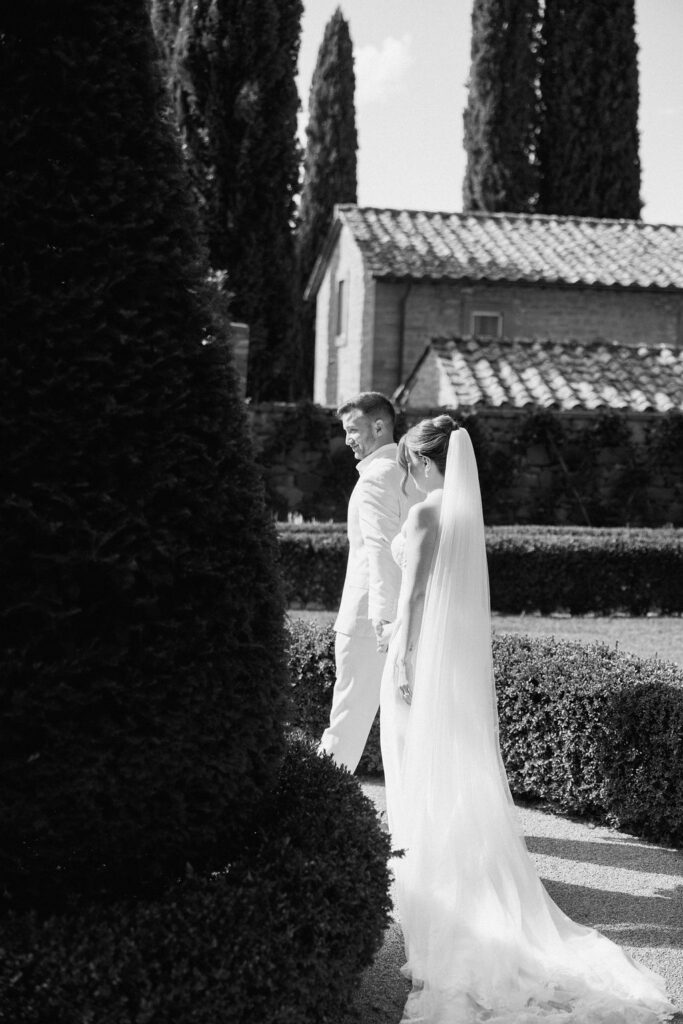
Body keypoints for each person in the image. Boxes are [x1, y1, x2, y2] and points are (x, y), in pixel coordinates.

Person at [380, 415, 675, 1024]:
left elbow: (414, 595)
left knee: (416, 773)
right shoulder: (465, 514)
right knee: (448, 774)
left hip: (415, 660)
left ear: (424, 462)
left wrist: (400, 649)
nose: (410, 474)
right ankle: (458, 889)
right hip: (445, 661)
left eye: (410, 463)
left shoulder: (427, 512)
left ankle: (435, 902)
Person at [319, 392, 418, 773]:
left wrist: (382, 621)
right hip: (408, 616)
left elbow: (381, 554)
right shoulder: (410, 473)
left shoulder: (377, 477)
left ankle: (316, 797)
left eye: (353, 430)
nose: (347, 440)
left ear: (379, 427)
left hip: (369, 621)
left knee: (345, 721)